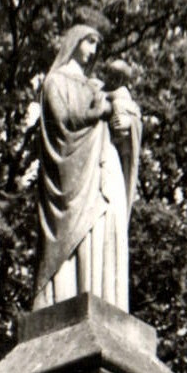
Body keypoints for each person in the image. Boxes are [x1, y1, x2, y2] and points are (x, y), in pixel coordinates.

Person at [33, 21, 141, 311]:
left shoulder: (97, 88)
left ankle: (104, 301)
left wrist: (126, 119)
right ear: (74, 42)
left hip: (103, 169)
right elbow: (64, 121)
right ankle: (70, 299)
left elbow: (124, 120)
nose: (93, 51)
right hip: (75, 178)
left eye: (96, 45)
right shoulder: (55, 81)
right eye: (89, 42)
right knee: (81, 238)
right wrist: (103, 110)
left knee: (106, 229)